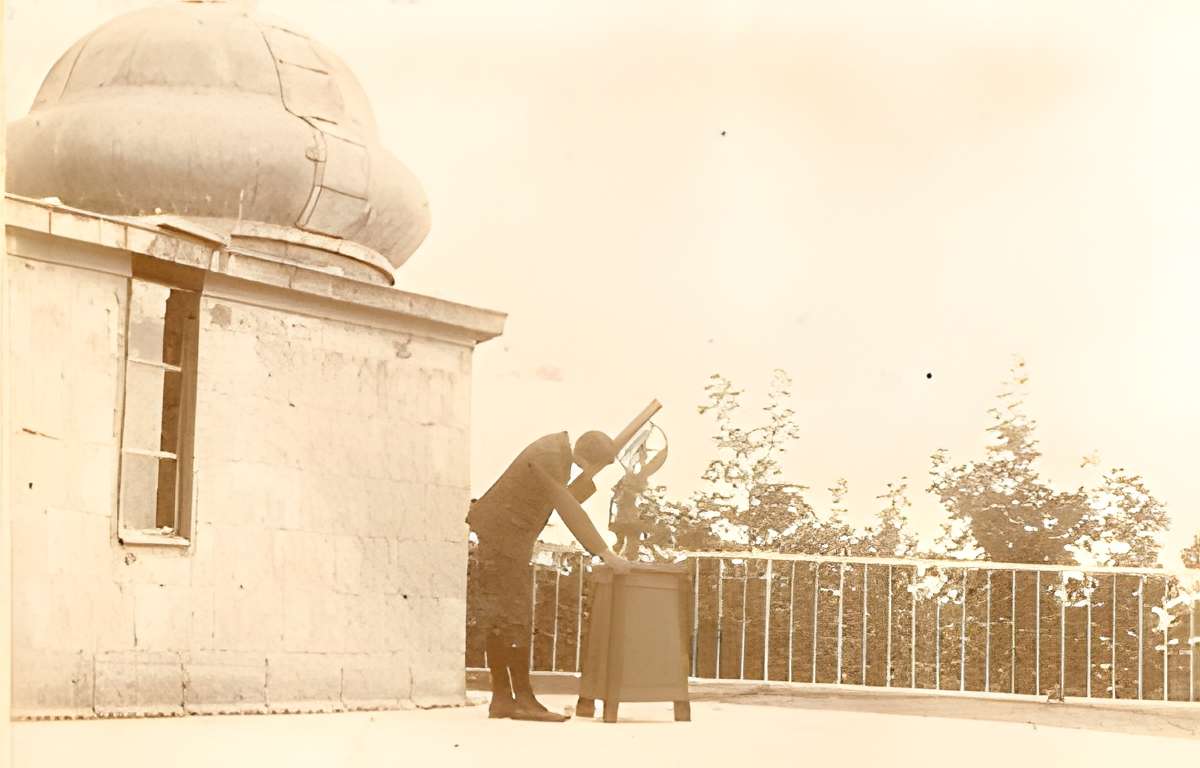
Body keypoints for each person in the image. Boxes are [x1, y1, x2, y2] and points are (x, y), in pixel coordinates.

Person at [468, 430, 632, 722]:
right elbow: (567, 507)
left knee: (502, 617)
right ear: (592, 460)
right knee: (515, 616)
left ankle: (503, 699)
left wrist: (586, 480)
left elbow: (562, 498)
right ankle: (523, 700)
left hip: (502, 536)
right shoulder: (550, 456)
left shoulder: (556, 452)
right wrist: (605, 553)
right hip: (504, 537)